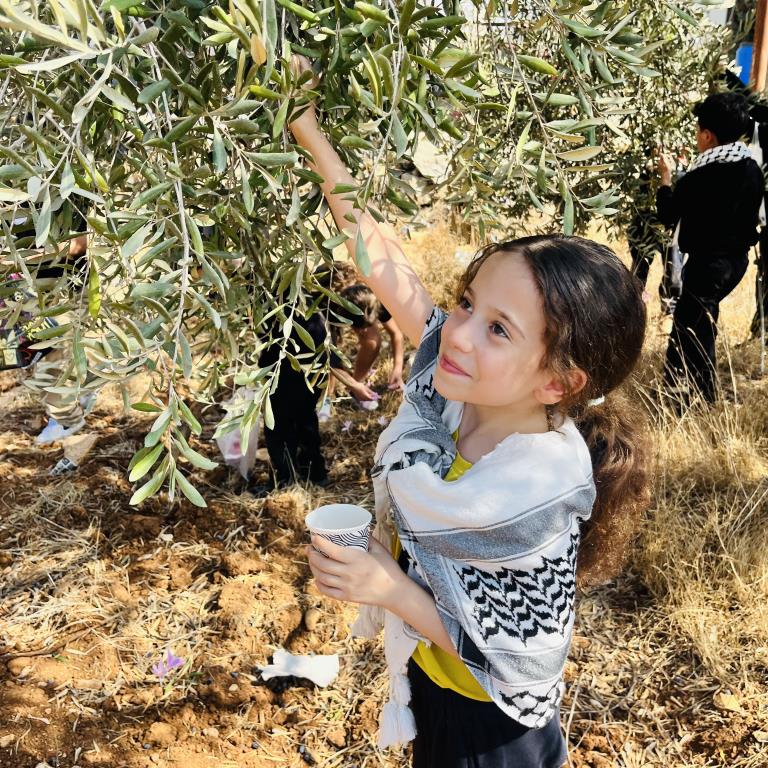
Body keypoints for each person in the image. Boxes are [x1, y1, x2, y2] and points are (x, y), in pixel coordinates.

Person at [289, 57, 649, 768]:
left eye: (499, 329)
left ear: (558, 382)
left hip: (495, 737)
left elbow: (518, 662)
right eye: (465, 303)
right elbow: (379, 259)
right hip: (437, 694)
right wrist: (306, 127)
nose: (456, 335)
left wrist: (390, 589)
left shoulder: (537, 488)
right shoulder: (459, 401)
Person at [657, 91, 763, 406]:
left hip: (707, 266)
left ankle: (700, 398)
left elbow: (668, 215)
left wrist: (665, 179)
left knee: (694, 330)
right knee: (691, 322)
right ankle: (676, 389)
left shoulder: (700, 176)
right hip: (735, 263)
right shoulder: (751, 168)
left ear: (706, 135)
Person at [319, 280, 405, 420]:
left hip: (356, 307)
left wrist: (398, 368)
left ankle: (356, 389)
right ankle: (326, 398)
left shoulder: (374, 302)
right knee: (329, 359)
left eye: (367, 326)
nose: (362, 332)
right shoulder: (329, 313)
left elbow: (396, 334)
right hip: (329, 314)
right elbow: (330, 359)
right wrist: (353, 384)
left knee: (372, 341)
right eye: (359, 329)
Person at [627, 165, 682, 316]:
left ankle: (668, 313)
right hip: (644, 224)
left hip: (669, 227)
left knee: (673, 271)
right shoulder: (643, 166)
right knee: (640, 268)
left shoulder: (680, 170)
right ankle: (634, 310)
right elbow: (639, 197)